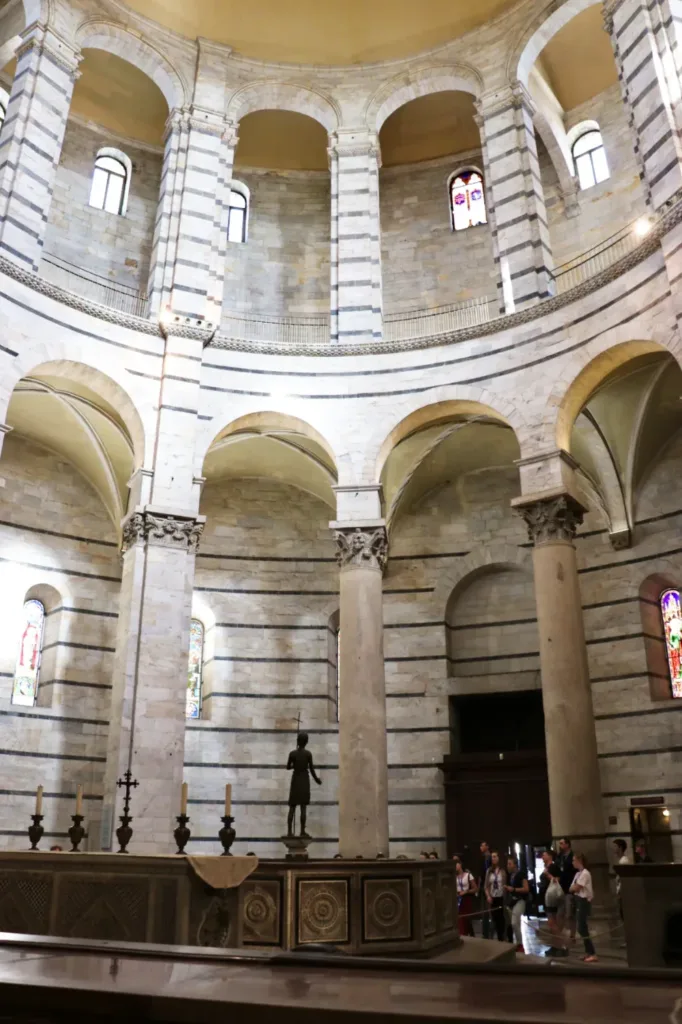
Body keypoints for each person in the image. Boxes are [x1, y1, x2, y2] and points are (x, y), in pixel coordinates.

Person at [286, 732, 321, 837]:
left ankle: (289, 832)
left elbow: (288, 767)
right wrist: (317, 780)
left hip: (296, 779)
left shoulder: (292, 754)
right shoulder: (308, 754)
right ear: (306, 742)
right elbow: (311, 769)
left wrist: (294, 765)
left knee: (292, 807)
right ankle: (302, 831)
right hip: (304, 779)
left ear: (298, 741)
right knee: (303, 807)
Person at [570, 851, 597, 963]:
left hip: (584, 901)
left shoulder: (585, 873)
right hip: (578, 900)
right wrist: (574, 888)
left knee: (582, 927)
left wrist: (574, 888)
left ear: (579, 861)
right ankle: (588, 952)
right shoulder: (577, 874)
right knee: (580, 927)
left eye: (574, 860)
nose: (572, 863)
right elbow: (571, 888)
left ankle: (592, 953)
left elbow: (577, 888)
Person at [505, 854, 529, 952]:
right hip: (513, 902)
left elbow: (526, 889)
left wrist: (514, 889)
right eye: (507, 864)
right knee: (516, 924)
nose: (508, 866)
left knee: (514, 923)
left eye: (509, 864)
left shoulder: (521, 874)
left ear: (515, 865)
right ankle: (519, 943)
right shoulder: (511, 875)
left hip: (520, 900)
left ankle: (520, 944)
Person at [543, 863, 568, 957]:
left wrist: (547, 874)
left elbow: (553, 880)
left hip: (553, 903)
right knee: (553, 926)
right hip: (551, 903)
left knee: (554, 925)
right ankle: (555, 946)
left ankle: (562, 946)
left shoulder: (554, 879)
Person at [557, 836, 577, 942]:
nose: (560, 846)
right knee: (560, 913)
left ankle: (572, 934)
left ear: (567, 844)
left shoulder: (573, 856)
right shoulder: (559, 856)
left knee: (570, 914)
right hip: (561, 888)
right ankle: (559, 935)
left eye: (561, 843)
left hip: (570, 888)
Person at [485, 851, 507, 941]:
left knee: (502, 919)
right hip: (493, 897)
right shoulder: (489, 871)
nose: (493, 858)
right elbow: (486, 886)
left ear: (498, 858)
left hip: (501, 897)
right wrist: (488, 896)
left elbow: (505, 883)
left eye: (495, 856)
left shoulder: (503, 871)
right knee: (494, 919)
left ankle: (502, 937)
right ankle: (495, 938)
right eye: (492, 857)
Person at [455, 857, 478, 937]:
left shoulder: (468, 875)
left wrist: (466, 891)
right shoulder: (454, 877)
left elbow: (475, 888)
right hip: (458, 899)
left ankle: (470, 935)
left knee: (467, 919)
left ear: (460, 864)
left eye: (456, 864)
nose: (455, 866)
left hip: (466, 898)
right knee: (460, 920)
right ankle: (462, 935)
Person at [478, 841, 493, 939]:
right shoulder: (483, 858)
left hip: (488, 885)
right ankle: (485, 932)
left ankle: (490, 932)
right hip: (483, 885)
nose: (480, 847)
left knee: (489, 909)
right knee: (484, 911)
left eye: (482, 845)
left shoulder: (489, 858)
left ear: (487, 847)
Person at [612, 838, 630, 918]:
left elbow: (624, 880)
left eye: (615, 846)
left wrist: (620, 892)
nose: (614, 849)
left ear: (620, 848)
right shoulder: (621, 861)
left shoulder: (624, 862)